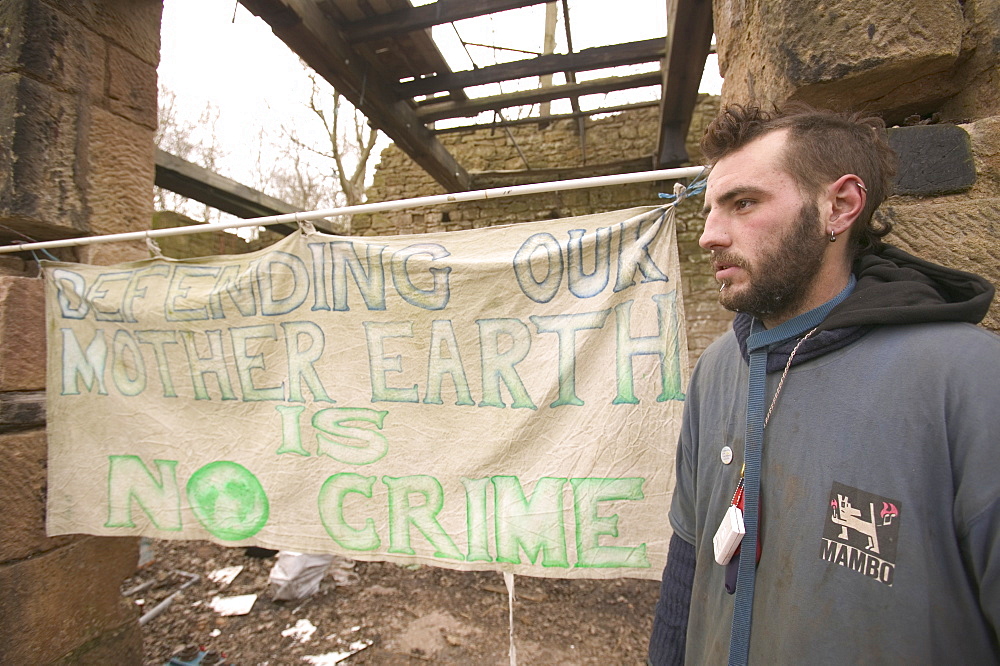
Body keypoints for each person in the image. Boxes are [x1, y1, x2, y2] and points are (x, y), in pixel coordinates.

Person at [648, 103, 1000, 664]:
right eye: (711, 208)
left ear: (839, 207)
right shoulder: (717, 368)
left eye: (743, 203)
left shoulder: (968, 379)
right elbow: (687, 560)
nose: (709, 236)